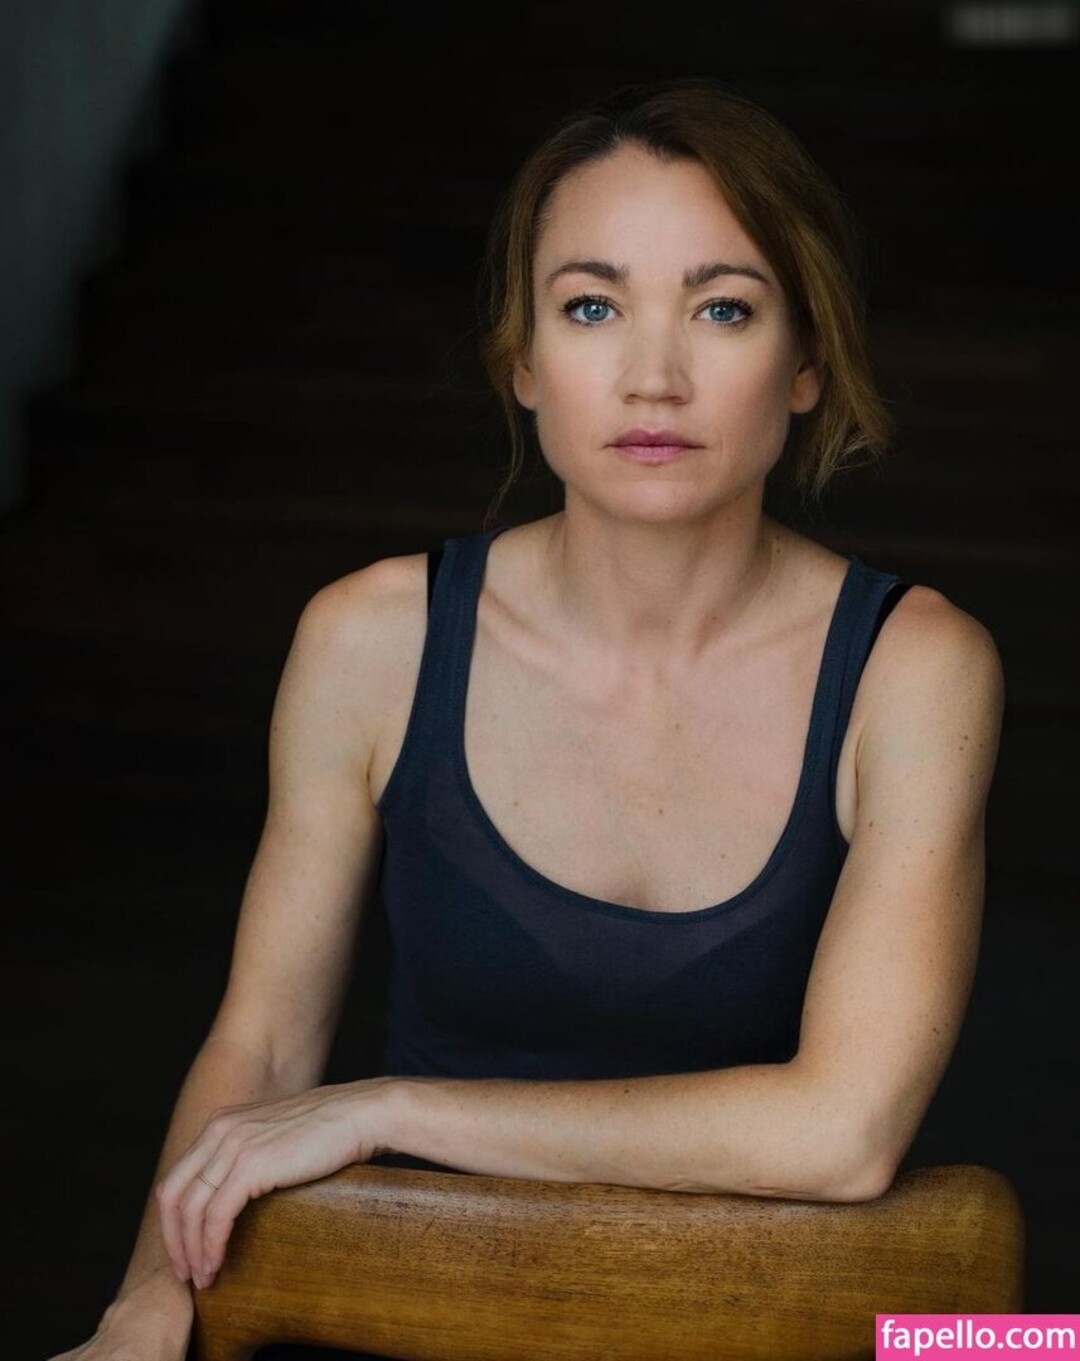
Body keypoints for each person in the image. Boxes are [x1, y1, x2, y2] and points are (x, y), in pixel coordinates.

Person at [49, 76, 1004, 1361]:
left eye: (723, 308)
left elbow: (843, 1132)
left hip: (760, 1330)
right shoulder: (372, 638)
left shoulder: (915, 665)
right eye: (591, 306)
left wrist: (392, 1109)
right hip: (409, 1329)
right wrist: (149, 1300)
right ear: (523, 360)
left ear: (806, 363)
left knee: (1041, 1347)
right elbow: (264, 1045)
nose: (654, 377)